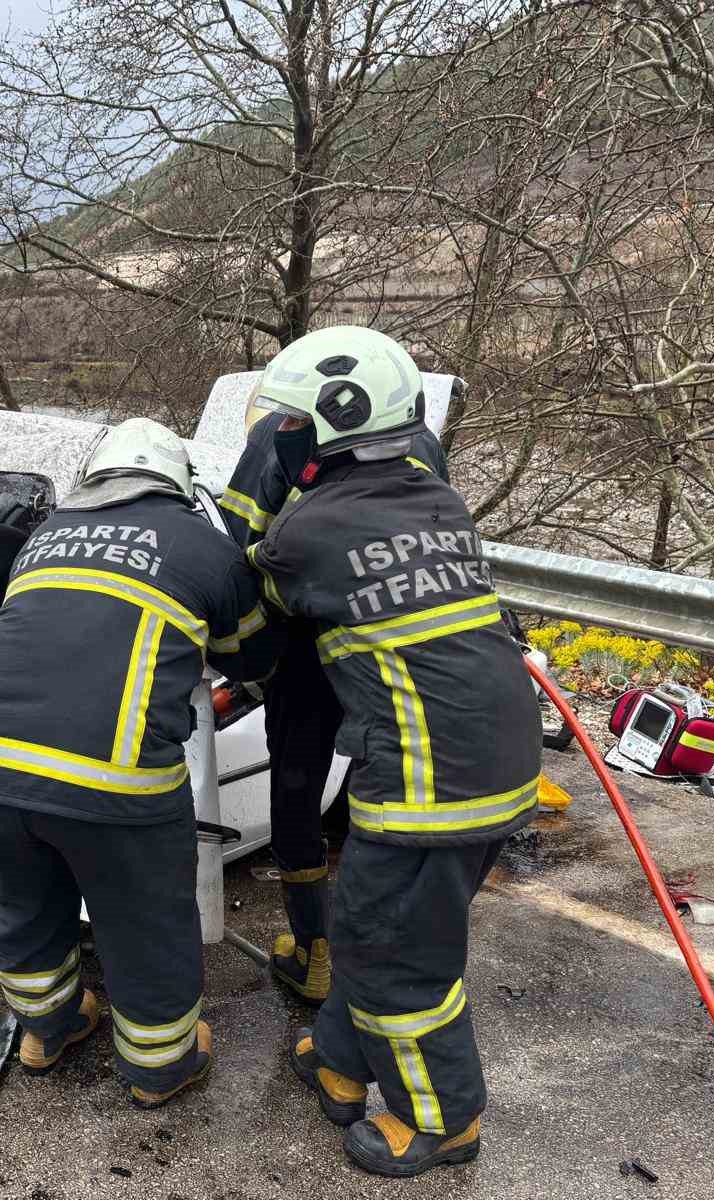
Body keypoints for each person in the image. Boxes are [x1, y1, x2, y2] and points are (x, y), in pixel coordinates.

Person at [248, 326, 540, 1177]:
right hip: (498, 752)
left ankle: (445, 1120)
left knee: (388, 947)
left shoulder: (309, 532)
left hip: (432, 780)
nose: (283, 440)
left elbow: (257, 588)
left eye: (291, 426)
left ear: (330, 429)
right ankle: (337, 1059)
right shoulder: (439, 499)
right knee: (386, 924)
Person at [0, 417, 280, 1108]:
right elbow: (253, 660)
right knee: (145, 918)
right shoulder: (203, 545)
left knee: (26, 897)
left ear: (95, 479)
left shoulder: (43, 539)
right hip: (112, 780)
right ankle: (161, 1068)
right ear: (179, 484)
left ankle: (48, 1029)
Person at [219, 362, 452, 1007]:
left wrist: (248, 652)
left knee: (296, 783)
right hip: (394, 637)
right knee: (388, 774)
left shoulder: (274, 435)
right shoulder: (418, 436)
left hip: (306, 643)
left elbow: (241, 546)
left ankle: (314, 948)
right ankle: (381, 942)